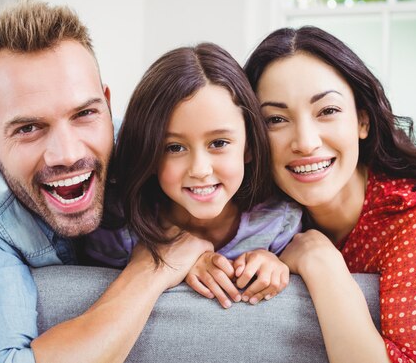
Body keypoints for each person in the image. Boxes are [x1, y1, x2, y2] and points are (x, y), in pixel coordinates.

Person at [0, 0, 212, 363]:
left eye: (84, 113)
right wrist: (151, 268)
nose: (66, 154)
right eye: (29, 128)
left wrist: (294, 250)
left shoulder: (156, 153)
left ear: (107, 106)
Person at [244, 26, 416, 363]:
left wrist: (319, 260)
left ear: (363, 120)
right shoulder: (256, 217)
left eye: (327, 111)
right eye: (275, 119)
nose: (305, 141)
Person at [85, 43, 301, 308]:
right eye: (174, 148)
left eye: (219, 143)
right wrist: (175, 262)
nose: (200, 169)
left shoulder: (279, 222)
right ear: (149, 154)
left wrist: (274, 265)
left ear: (249, 147)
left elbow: (294, 263)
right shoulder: (117, 228)